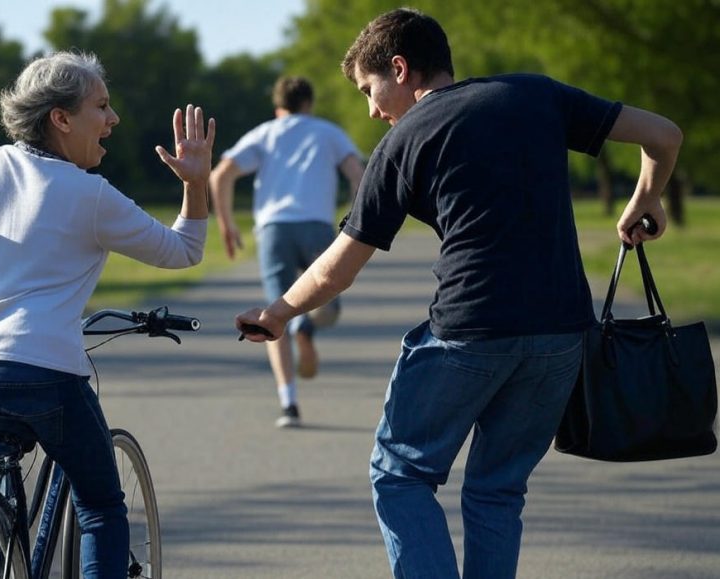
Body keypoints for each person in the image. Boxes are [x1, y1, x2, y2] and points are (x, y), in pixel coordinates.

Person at [236, 8, 682, 578]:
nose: (372, 110)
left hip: (468, 332)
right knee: (497, 490)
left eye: (371, 91)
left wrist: (278, 313)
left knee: (400, 475)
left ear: (399, 69)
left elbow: (337, 269)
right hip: (562, 333)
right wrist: (647, 196)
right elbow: (664, 135)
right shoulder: (536, 94)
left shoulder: (405, 140)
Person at [0, 51, 215, 578]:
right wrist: (195, 183)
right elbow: (183, 250)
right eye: (102, 105)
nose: (113, 119)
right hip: (43, 370)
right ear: (61, 118)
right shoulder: (92, 195)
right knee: (101, 507)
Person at [211, 75, 364, 428]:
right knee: (329, 305)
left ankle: (289, 405)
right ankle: (306, 328)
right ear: (309, 102)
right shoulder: (328, 132)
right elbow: (358, 173)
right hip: (317, 227)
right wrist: (353, 217)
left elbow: (221, 176)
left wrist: (227, 225)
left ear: (278, 106)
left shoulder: (264, 133)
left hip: (274, 229)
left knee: (271, 315)